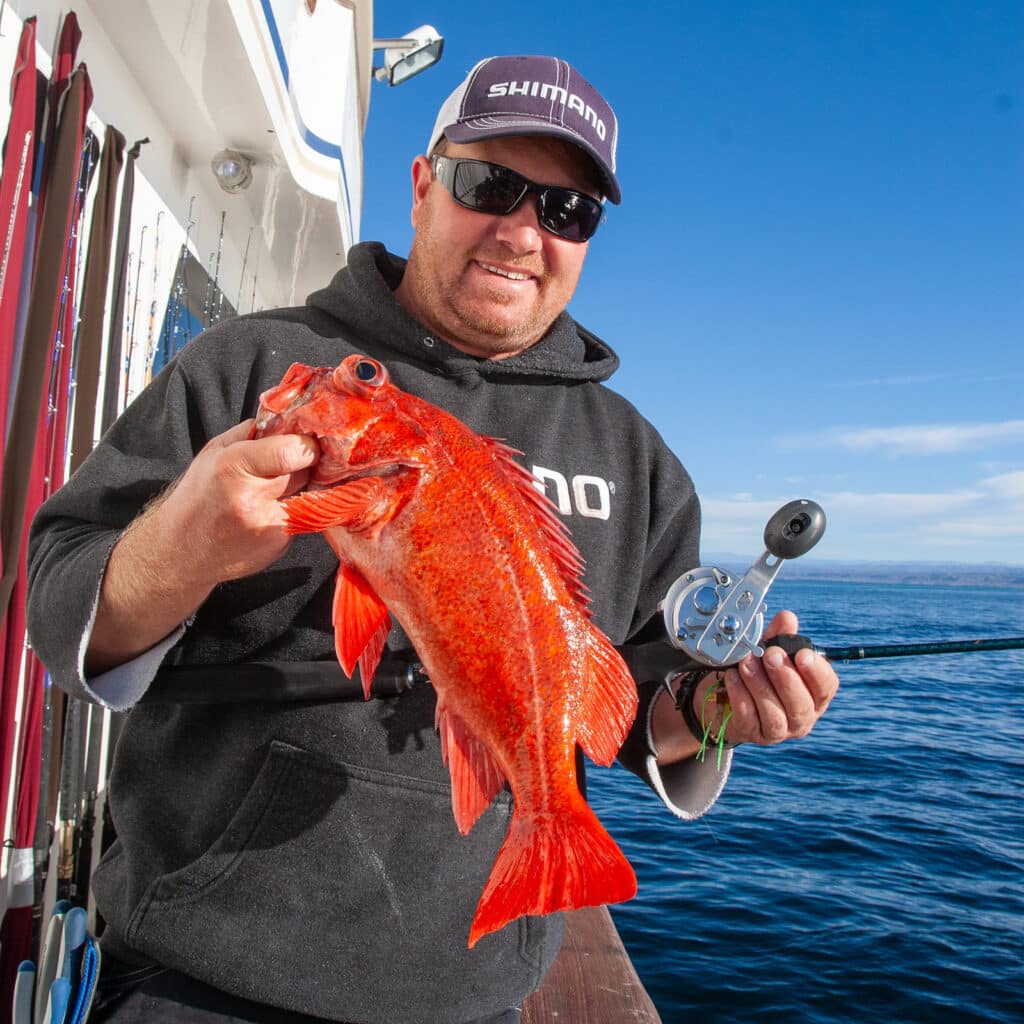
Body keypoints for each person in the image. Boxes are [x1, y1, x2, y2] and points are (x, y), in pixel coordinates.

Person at [26, 55, 839, 1024]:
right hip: (200, 979)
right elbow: (54, 601)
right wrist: (187, 541)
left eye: (566, 210)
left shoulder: (640, 458)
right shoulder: (246, 364)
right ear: (422, 185)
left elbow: (633, 710)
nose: (522, 230)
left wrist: (719, 712)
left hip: (472, 995)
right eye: (489, 185)